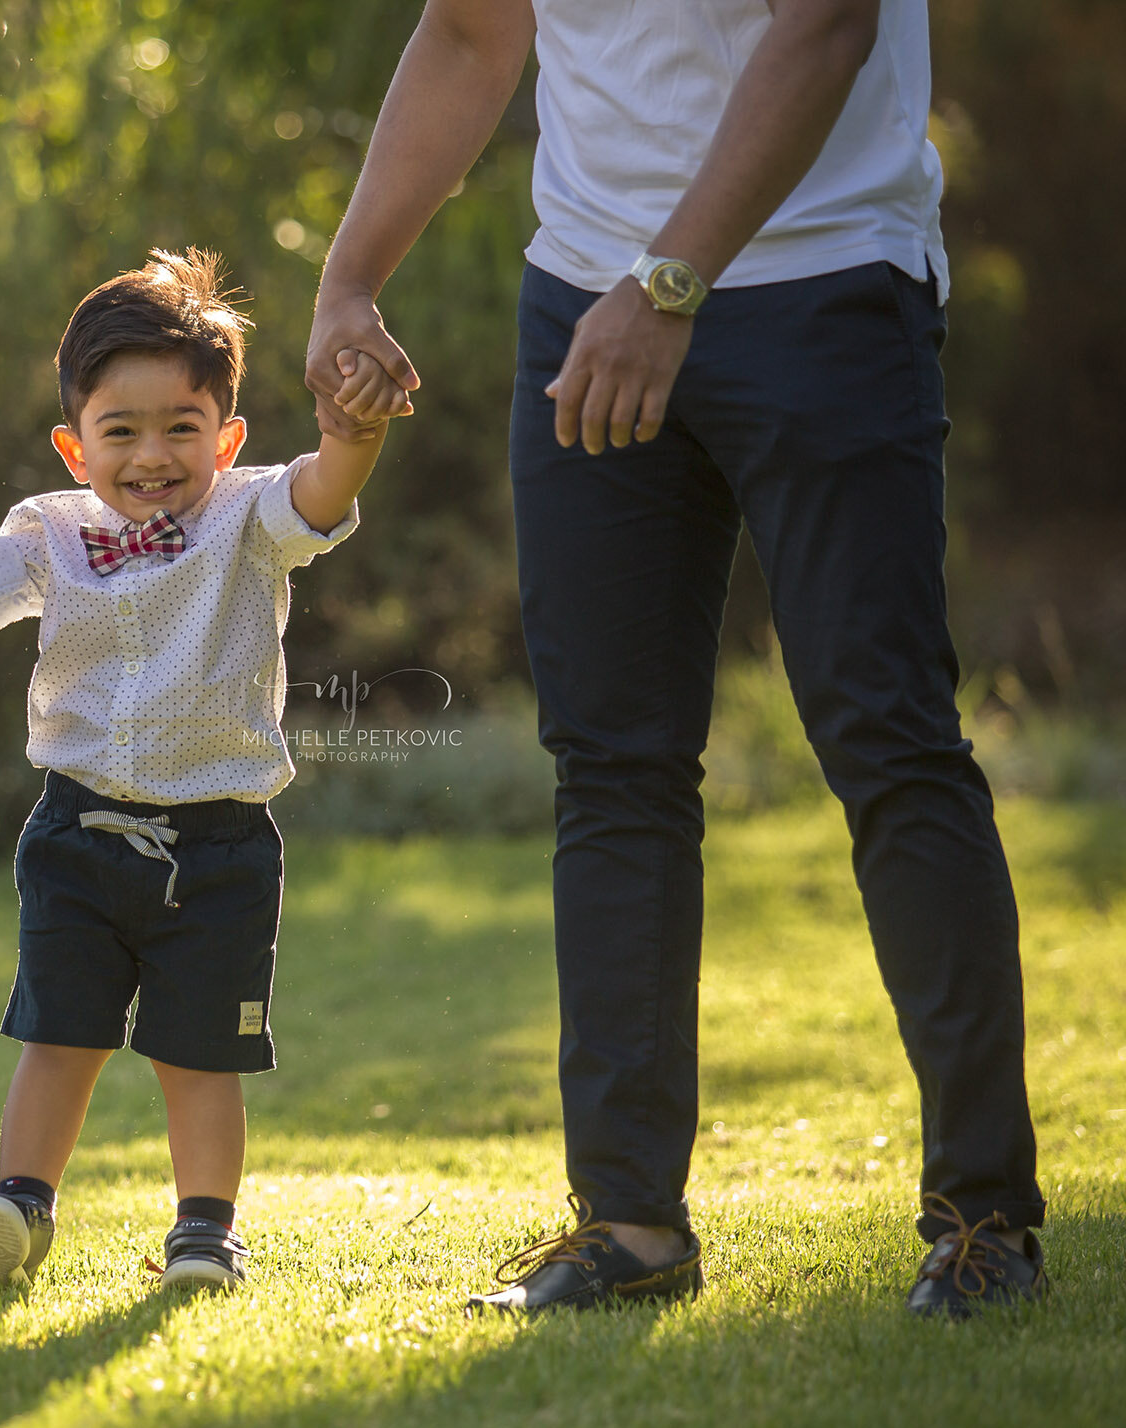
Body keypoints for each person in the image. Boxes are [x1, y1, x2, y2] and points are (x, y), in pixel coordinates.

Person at [307, 0, 1045, 1317]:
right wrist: (351, 276)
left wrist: (667, 285)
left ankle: (985, 1221)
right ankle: (631, 1224)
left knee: (886, 740)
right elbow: (475, 34)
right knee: (610, 763)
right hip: (584, 297)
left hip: (825, 288)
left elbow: (826, 29)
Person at [0, 249, 408, 1289]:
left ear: (224, 437)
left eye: (180, 427)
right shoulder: (50, 533)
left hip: (219, 844)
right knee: (59, 1035)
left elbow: (321, 493)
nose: (152, 455)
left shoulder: (246, 517)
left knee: (199, 1056)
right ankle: (19, 1206)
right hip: (77, 834)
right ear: (74, 444)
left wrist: (351, 434)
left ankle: (203, 1229)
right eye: (120, 431)